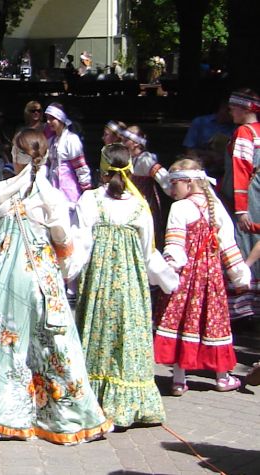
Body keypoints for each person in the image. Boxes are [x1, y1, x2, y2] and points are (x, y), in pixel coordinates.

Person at [0, 128, 112, 444]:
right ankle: (62, 414)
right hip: (43, 280)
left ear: (16, 155)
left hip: (6, 280)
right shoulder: (51, 195)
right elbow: (64, 243)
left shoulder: (1, 191)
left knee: (0, 342)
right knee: (52, 345)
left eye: (14, 150)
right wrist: (66, 274)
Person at [71, 144, 176, 428]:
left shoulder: (90, 200)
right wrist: (168, 280)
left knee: (99, 334)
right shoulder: (139, 206)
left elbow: (81, 244)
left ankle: (94, 400)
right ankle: (130, 404)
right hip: (131, 288)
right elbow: (147, 252)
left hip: (99, 287)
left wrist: (63, 272)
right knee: (126, 336)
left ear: (101, 170)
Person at [155, 158, 250, 395]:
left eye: (174, 185)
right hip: (212, 280)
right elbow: (228, 246)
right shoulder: (216, 207)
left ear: (188, 183)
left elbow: (175, 246)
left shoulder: (179, 208)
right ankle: (222, 378)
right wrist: (240, 276)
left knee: (181, 322)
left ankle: (178, 380)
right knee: (213, 322)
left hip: (186, 280)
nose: (171, 190)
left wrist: (167, 272)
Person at [226, 89, 260, 321]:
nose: (230, 111)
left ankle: (242, 308)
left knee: (245, 243)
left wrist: (241, 209)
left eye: (233, 107)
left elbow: (241, 169)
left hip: (250, 196)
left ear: (245, 108)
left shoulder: (245, 132)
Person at [119, 125, 171, 247]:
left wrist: (172, 190)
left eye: (126, 140)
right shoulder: (129, 159)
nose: (122, 142)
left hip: (146, 203)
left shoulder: (145, 160)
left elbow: (163, 177)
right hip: (130, 202)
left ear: (136, 143)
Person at [45, 102, 91, 205]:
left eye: (52, 118)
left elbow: (80, 166)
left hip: (70, 188)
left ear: (60, 118)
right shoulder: (51, 141)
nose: (48, 121)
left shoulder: (71, 139)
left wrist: (86, 187)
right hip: (53, 185)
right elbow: (47, 164)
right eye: (47, 118)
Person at [184, 98, 234, 182]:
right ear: (221, 108)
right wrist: (210, 155)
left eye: (231, 111)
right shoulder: (200, 122)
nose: (230, 114)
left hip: (224, 168)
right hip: (201, 164)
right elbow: (189, 149)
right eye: (227, 110)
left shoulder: (236, 128)